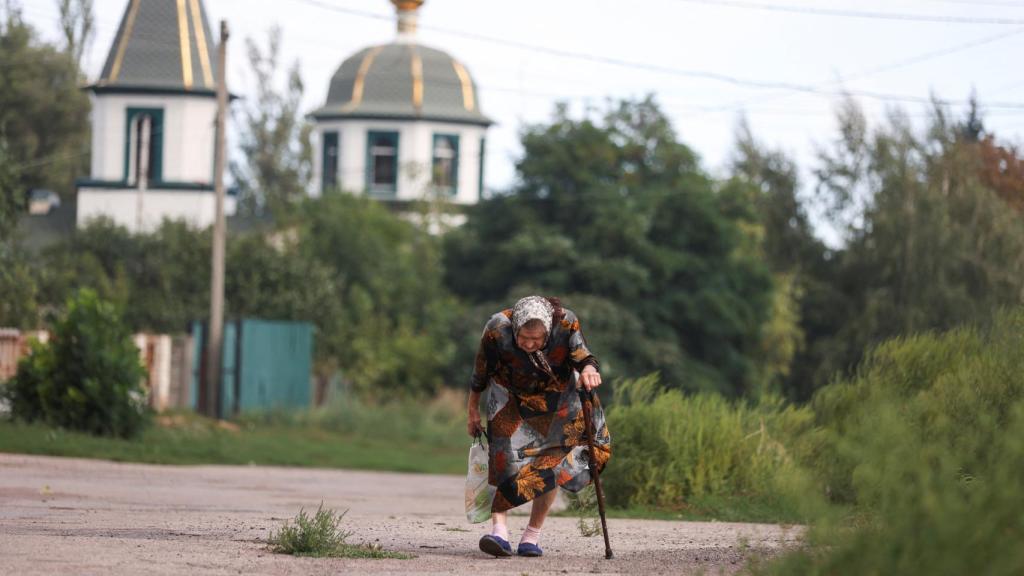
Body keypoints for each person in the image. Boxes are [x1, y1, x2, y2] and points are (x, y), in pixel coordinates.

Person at [467, 295, 612, 558]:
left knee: (551, 463)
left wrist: (589, 370)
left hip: (557, 400)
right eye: (524, 338)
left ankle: (531, 537)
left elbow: (583, 356)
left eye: (537, 339)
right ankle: (499, 533)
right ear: (516, 328)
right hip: (508, 396)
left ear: (547, 331)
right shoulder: (497, 329)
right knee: (503, 462)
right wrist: (472, 411)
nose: (530, 344)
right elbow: (481, 372)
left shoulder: (566, 324)